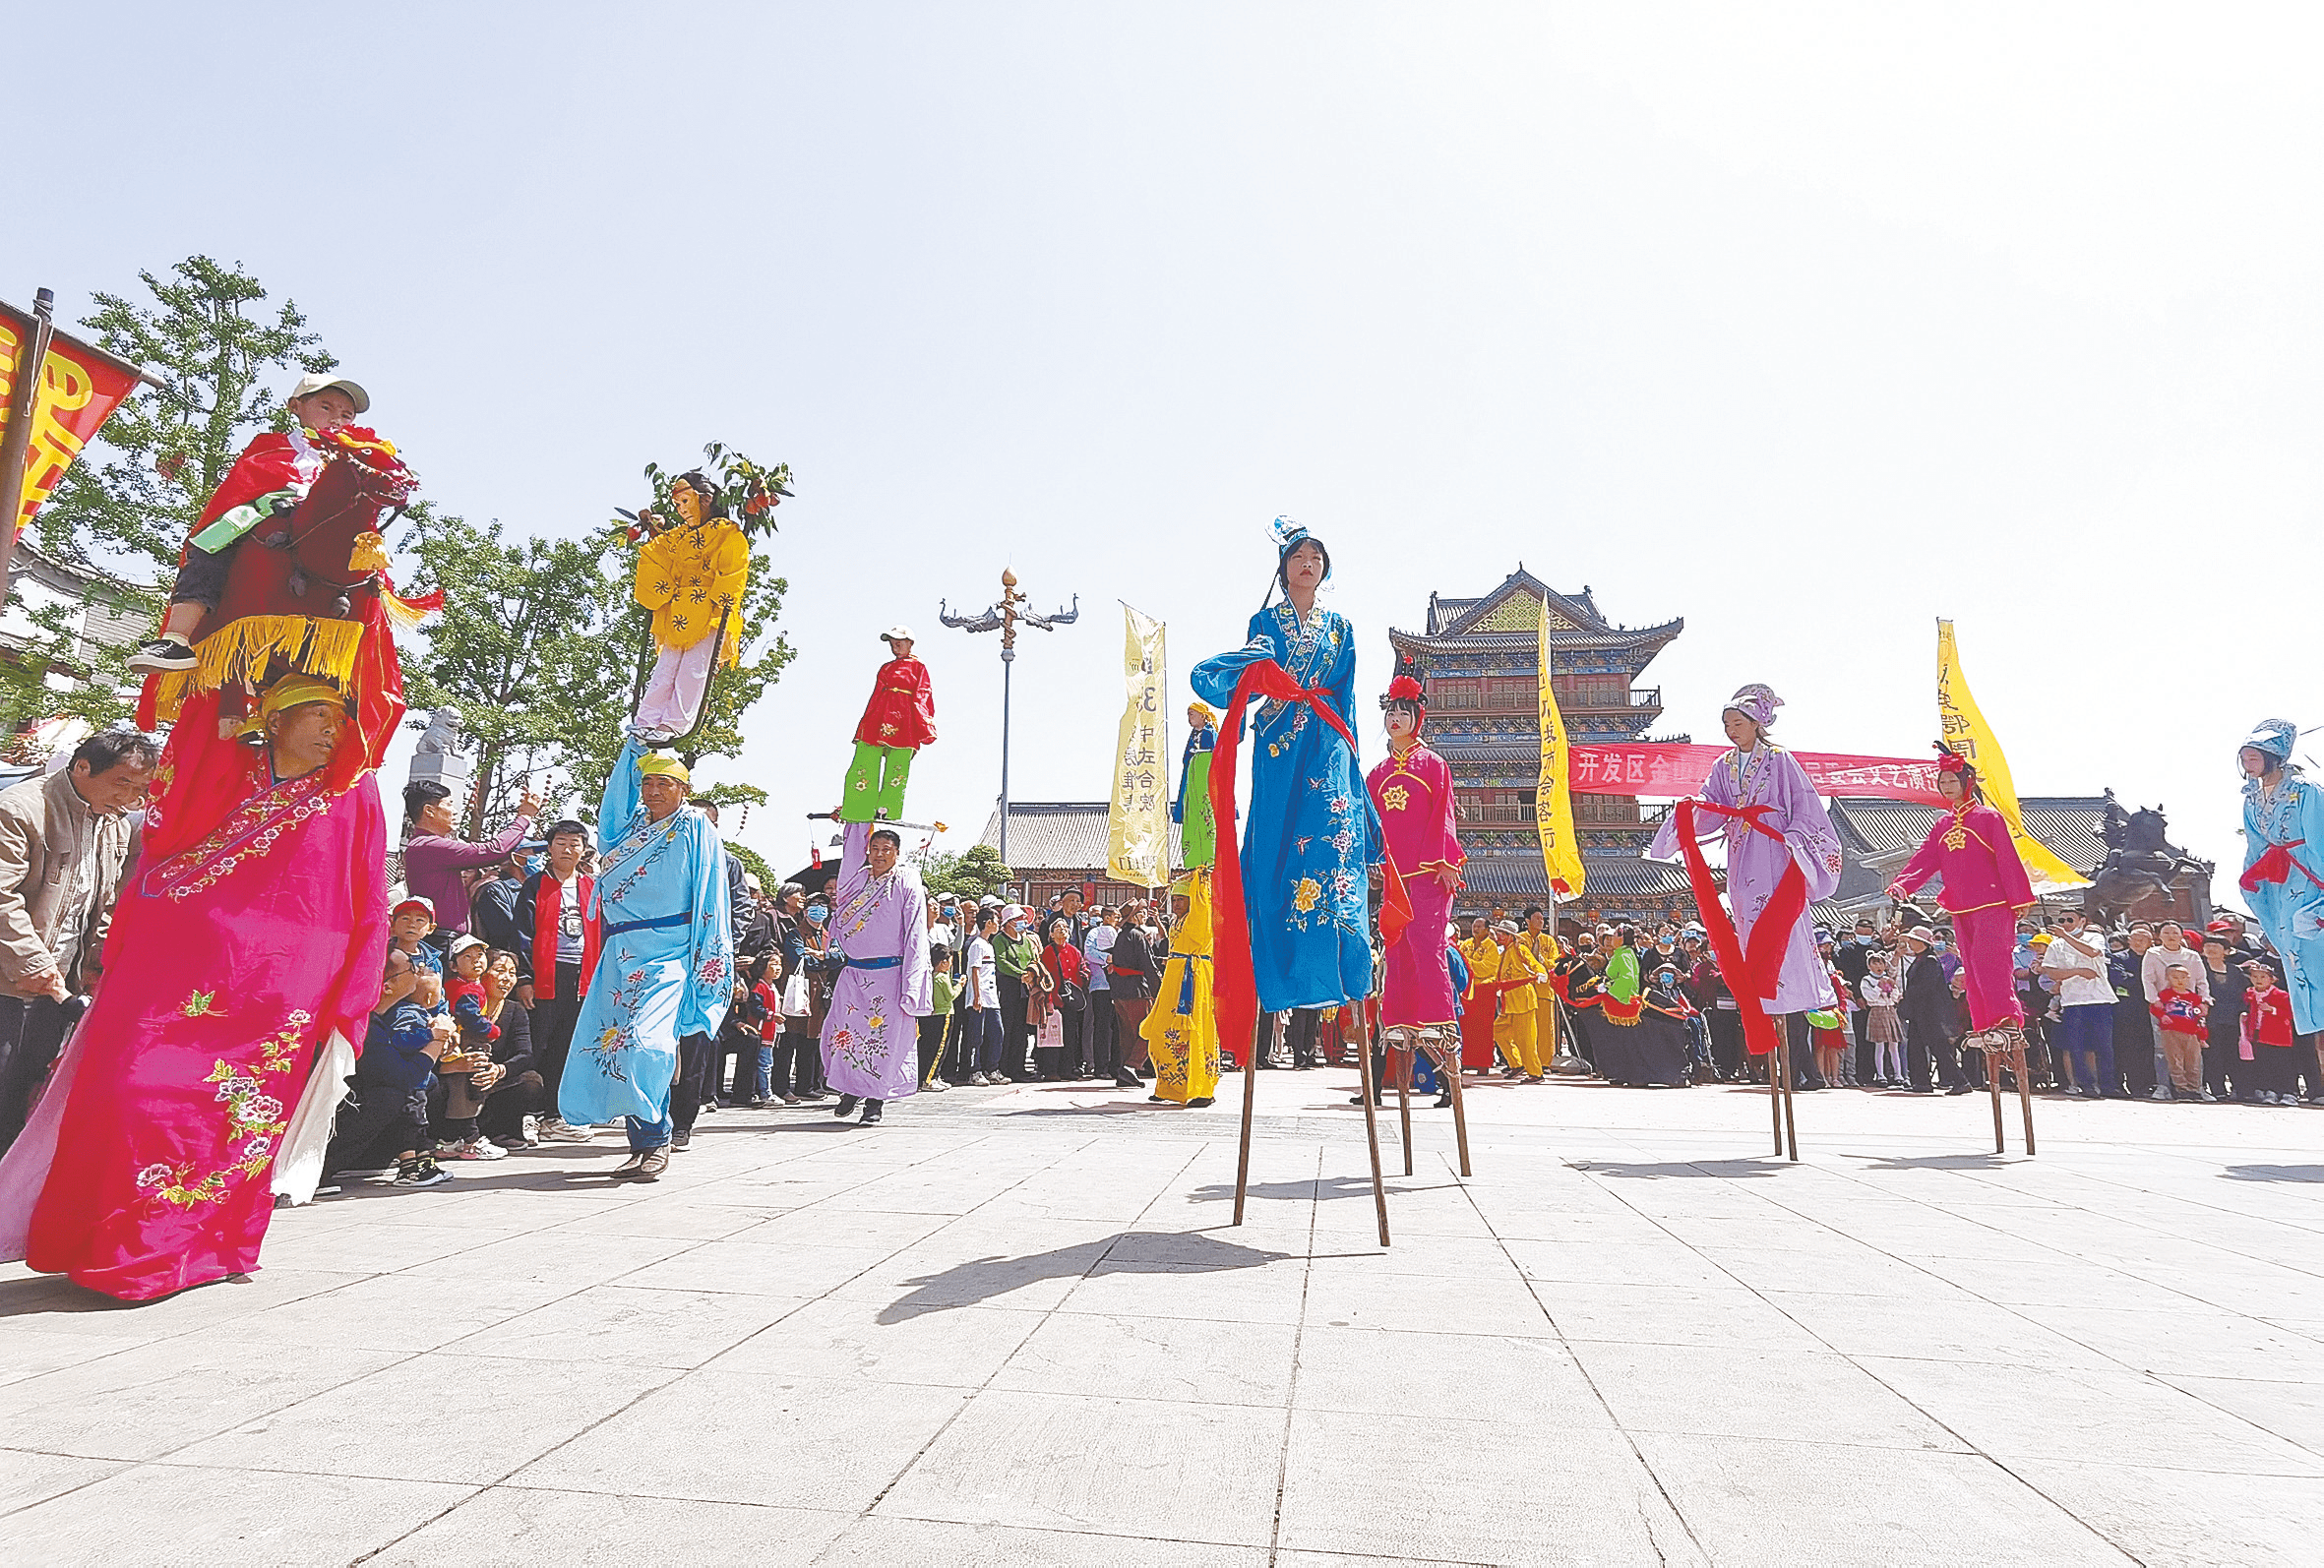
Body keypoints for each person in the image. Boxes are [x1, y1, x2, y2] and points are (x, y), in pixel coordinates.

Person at [0, 673, 390, 1299]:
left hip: (275, 989)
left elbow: (365, 896)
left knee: (229, 1119)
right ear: (275, 720)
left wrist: (347, 986)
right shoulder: (224, 768)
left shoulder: (353, 790)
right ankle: (101, 1243)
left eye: (340, 718)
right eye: (317, 713)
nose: (332, 729)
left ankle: (202, 1249)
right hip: (171, 971)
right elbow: (176, 792)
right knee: (130, 1094)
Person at [1191, 519, 1385, 1094]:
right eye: (1297, 556)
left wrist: (1350, 746)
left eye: (1315, 557)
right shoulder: (1266, 622)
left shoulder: (1341, 628)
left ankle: (1341, 945)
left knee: (1331, 833)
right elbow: (1252, 666)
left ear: (1326, 569)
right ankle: (1274, 950)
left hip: (1324, 735)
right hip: (1279, 736)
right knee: (1274, 845)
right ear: (1282, 569)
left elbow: (1346, 692)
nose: (1307, 563)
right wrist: (1237, 671)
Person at [559, 741, 734, 1179]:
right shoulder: (628, 828)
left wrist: (707, 955)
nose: (654, 790)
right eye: (647, 781)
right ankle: (642, 1144)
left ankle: (659, 1138)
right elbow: (612, 803)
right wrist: (633, 744)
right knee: (614, 1046)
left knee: (647, 1045)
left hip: (669, 950)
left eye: (665, 782)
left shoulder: (695, 825)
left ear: (683, 788)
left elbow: (711, 891)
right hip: (619, 952)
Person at [125, 374, 372, 676]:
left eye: (346, 415)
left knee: (374, 570)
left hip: (332, 523)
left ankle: (367, 660)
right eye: (326, 408)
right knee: (215, 537)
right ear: (296, 406)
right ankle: (177, 638)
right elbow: (252, 481)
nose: (337, 419)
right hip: (271, 510)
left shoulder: (359, 458)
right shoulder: (273, 445)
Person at [1649, 684, 1842, 1065]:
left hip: (1773, 845)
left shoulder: (1780, 759)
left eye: (1737, 722)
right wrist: (1691, 813)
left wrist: (1797, 837)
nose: (1730, 730)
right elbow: (1713, 805)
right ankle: (1760, 991)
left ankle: (1798, 991)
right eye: (1726, 723)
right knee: (1747, 918)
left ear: (1757, 724)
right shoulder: (1723, 765)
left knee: (1782, 918)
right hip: (1741, 848)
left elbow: (1804, 803)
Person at [0, 730, 156, 1151]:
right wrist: (35, 966)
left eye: (140, 788)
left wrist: (95, 965)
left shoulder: (115, 825)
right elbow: (2, 900)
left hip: (57, 988)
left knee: (26, 1097)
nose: (130, 797)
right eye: (122, 782)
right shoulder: (20, 809)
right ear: (81, 766)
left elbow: (106, 905)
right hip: (11, 984)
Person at [1886, 747, 2038, 1060]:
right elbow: (1926, 858)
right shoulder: (1942, 825)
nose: (1946, 786)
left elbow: (2008, 858)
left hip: (1994, 903)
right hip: (1960, 907)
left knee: (1989, 962)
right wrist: (1903, 884)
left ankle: (2007, 1022)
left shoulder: (1988, 817)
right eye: (1942, 781)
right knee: (1971, 966)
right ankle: (1984, 1026)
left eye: (1952, 779)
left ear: (1967, 781)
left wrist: (2020, 896)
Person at [1364, 674, 1466, 1096]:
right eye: (1391, 711)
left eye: (1404, 712)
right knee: (1397, 948)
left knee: (1427, 945)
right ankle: (1400, 1021)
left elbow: (1444, 812)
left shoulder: (1434, 765)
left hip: (1427, 873)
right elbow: (1368, 823)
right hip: (1393, 877)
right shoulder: (1377, 773)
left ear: (1417, 719)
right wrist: (1368, 859)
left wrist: (1445, 860)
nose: (1396, 718)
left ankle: (1440, 1020)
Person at [818, 820, 933, 1126]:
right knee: (845, 1035)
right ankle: (848, 1091)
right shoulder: (856, 879)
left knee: (882, 1040)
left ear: (897, 853)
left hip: (890, 975)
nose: (879, 854)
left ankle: (874, 1103)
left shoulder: (908, 881)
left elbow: (915, 933)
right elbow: (851, 850)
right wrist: (855, 820)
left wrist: (913, 981)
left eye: (887, 849)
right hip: (854, 974)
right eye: (874, 848)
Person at [632, 471, 750, 743]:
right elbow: (653, 556)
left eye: (686, 501)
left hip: (709, 612)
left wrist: (720, 601)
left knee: (693, 672)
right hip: (677, 610)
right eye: (678, 505)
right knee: (665, 669)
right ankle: (646, 721)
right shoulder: (675, 538)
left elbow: (734, 567)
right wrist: (664, 590)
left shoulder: (726, 532)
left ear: (705, 499)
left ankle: (673, 724)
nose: (682, 510)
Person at [327, 950, 457, 1188]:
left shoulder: (384, 1016)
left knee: (431, 1086)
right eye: (411, 969)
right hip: (341, 1112)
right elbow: (402, 1078)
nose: (418, 972)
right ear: (387, 987)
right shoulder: (364, 1023)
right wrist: (436, 1038)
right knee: (394, 1097)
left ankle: (370, 1160)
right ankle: (325, 1168)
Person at [512, 818, 598, 1141]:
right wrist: (524, 979)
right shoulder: (535, 885)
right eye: (560, 842)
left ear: (583, 850)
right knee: (536, 1044)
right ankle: (524, 1114)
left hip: (582, 977)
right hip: (545, 975)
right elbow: (522, 934)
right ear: (549, 848)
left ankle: (555, 1116)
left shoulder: (592, 886)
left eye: (574, 843)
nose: (567, 848)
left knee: (566, 1046)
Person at [2237, 719, 2324, 1035]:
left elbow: (2321, 840)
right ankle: (2315, 1020)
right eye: (2245, 755)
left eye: (2255, 754)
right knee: (2291, 947)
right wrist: (2251, 878)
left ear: (2274, 755)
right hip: (2279, 878)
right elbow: (2256, 845)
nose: (2248, 760)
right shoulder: (2251, 799)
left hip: (2310, 874)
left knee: (2313, 940)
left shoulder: (2305, 791)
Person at [400, 777, 541, 948]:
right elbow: (493, 850)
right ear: (429, 811)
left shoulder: (425, 844)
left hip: (444, 938)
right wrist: (524, 817)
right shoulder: (428, 845)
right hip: (440, 940)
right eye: (449, 804)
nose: (454, 811)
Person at [841, 627, 937, 822]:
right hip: (880, 714)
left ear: (911, 643)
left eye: (900, 641)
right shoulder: (885, 668)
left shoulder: (919, 667)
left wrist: (924, 725)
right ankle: (859, 807)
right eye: (892, 642)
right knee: (864, 760)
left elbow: (923, 694)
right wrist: (864, 724)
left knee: (898, 767)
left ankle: (887, 809)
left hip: (905, 718)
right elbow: (875, 695)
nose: (896, 645)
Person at [1142, 871, 1220, 1106]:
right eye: (1174, 900)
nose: (1176, 904)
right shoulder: (1176, 921)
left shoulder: (1200, 916)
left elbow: (1203, 899)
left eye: (1181, 899)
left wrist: (1200, 878)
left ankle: (1201, 1089)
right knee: (1161, 1031)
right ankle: (1169, 1086)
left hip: (1193, 978)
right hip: (1174, 978)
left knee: (1194, 1031)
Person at [2040, 909, 2115, 1098]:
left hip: (2100, 998)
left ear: (2082, 920)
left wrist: (2066, 937)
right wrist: (2078, 971)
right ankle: (2086, 1085)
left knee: (2105, 1046)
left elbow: (2092, 952)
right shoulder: (2055, 945)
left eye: (2070, 919)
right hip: (2072, 1001)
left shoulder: (2093, 937)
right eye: (2062, 920)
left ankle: (2109, 1085)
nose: (2065, 923)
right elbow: (2051, 972)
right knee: (2077, 1046)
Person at [476, 949, 543, 1148]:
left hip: (496, 1082)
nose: (506, 978)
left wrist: (499, 1070)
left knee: (532, 1081)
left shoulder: (515, 1010)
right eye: (499, 970)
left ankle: (502, 1132)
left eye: (512, 973)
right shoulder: (466, 1005)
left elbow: (524, 1055)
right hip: (465, 1078)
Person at [2141, 922, 2209, 1101]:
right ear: (2159, 936)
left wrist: (2204, 1002)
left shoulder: (2192, 956)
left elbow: (2202, 980)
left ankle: (2196, 1088)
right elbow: (2147, 979)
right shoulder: (2153, 954)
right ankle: (2164, 1086)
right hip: (2162, 1007)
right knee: (2162, 1048)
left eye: (2175, 932)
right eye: (2166, 932)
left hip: (2189, 1008)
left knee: (2193, 1050)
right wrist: (2154, 1001)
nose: (2171, 936)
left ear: (2181, 935)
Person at [1484, 921, 1549, 1082]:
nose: (1498, 936)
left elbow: (1533, 963)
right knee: (1498, 1031)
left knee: (1526, 1039)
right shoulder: (1505, 952)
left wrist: (1540, 973)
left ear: (1509, 936)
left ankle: (1535, 1073)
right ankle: (1516, 1063)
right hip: (1508, 1001)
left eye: (1502, 933)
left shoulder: (1519, 949)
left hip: (1522, 1000)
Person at [1107, 899, 1160, 1087]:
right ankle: (1131, 1066)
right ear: (1136, 916)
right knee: (1148, 1030)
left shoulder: (1122, 935)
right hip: (1137, 990)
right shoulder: (1138, 936)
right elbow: (1148, 966)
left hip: (1119, 991)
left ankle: (1125, 1073)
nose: (1144, 915)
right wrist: (1159, 989)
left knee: (1129, 1034)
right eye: (1142, 912)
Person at [2243, 958, 2300, 1105]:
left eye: (2263, 977)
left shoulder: (2281, 995)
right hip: (2259, 1035)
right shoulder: (2250, 994)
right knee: (2265, 1065)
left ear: (2272, 979)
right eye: (2255, 977)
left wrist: (2273, 1010)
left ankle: (2289, 1092)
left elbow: (2291, 1014)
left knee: (2282, 1065)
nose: (2258, 980)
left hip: (2279, 1037)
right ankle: (2270, 1091)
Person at [2150, 964, 2211, 1100]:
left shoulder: (2194, 997)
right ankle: (2181, 1088)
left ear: (2188, 978)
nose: (2179, 980)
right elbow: (2154, 1008)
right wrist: (2162, 1016)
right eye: (2175, 977)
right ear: (2168, 978)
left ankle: (2194, 1088)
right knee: (2175, 1060)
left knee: (2193, 1061)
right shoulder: (2165, 995)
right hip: (2171, 1031)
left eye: (2183, 977)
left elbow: (2200, 1017)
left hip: (2191, 1032)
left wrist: (2202, 1036)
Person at [1039, 916, 1087, 1081]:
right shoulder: (1048, 951)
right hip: (1054, 999)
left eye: (1065, 927)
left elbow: (1084, 968)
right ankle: (1051, 1070)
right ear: (1051, 934)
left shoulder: (1075, 951)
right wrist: (1048, 1001)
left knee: (1070, 1036)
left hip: (1071, 1000)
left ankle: (1067, 1069)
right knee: (1053, 1037)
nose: (1062, 930)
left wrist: (1084, 975)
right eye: (1058, 927)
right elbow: (1044, 977)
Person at [1174, 702, 1219, 871]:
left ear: (1202, 716)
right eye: (1188, 714)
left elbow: (1216, 754)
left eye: (1192, 714)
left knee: (1206, 811)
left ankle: (1209, 857)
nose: (1189, 718)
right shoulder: (1193, 734)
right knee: (1191, 813)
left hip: (1204, 771)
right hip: (1192, 773)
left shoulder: (1210, 733)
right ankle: (1193, 858)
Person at [1860, 950, 1904, 1087]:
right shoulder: (1867, 980)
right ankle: (1880, 1075)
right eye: (1874, 962)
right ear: (1869, 966)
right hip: (1877, 1011)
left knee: (1894, 1045)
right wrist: (1879, 988)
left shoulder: (1888, 978)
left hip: (1890, 1010)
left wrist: (1892, 989)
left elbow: (1896, 996)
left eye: (1881, 962)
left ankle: (1898, 1074)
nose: (1878, 965)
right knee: (1879, 1045)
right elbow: (1869, 997)